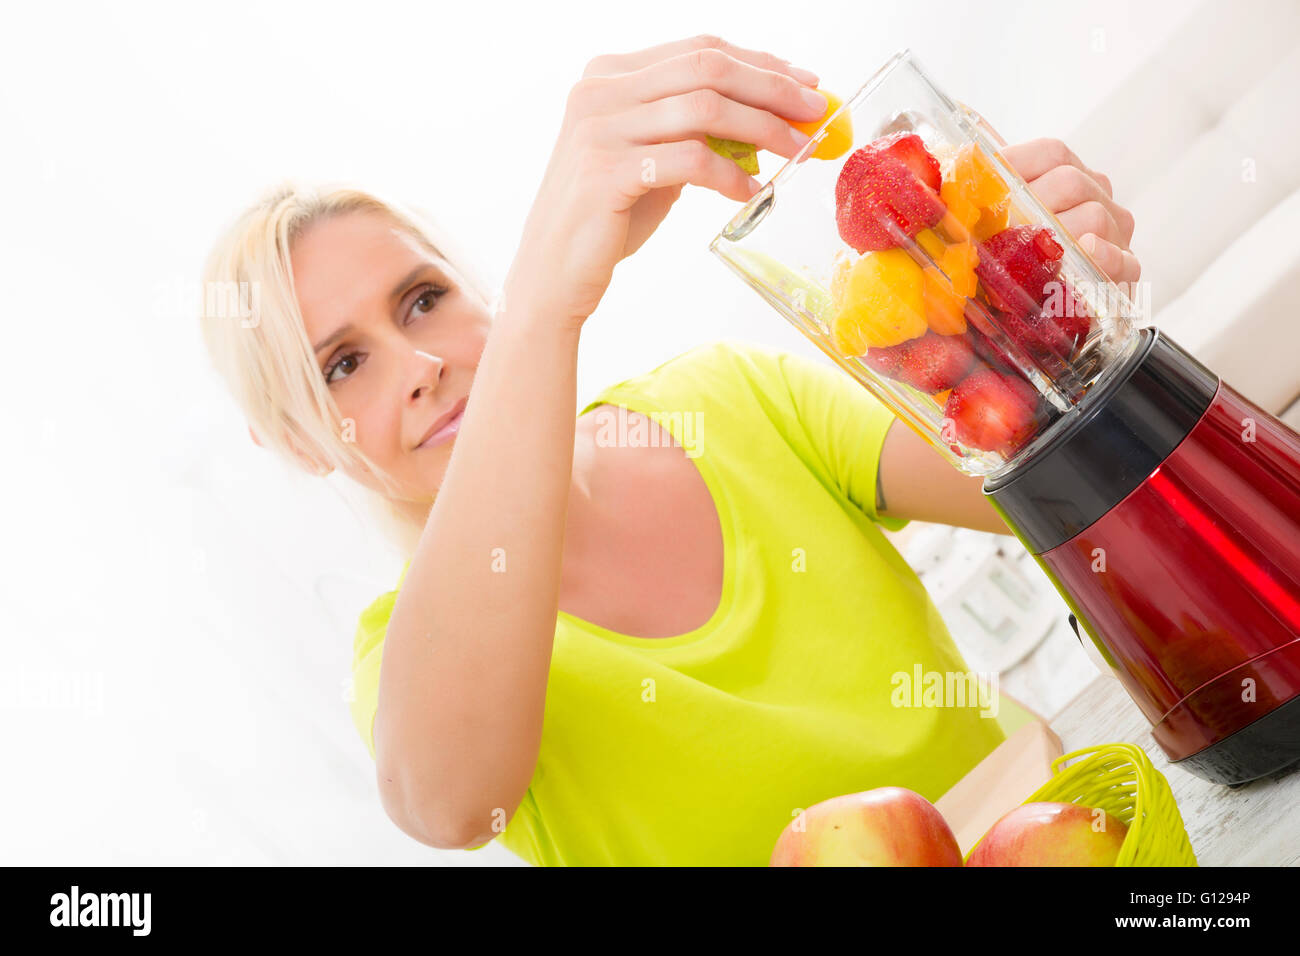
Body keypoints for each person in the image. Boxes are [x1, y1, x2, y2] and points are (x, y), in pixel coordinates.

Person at [197, 34, 1140, 866]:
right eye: (342, 365)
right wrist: (544, 306)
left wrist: (1049, 320)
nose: (419, 366)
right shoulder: (400, 661)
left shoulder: (727, 397)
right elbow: (444, 806)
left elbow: (1079, 486)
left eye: (423, 300)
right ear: (298, 442)